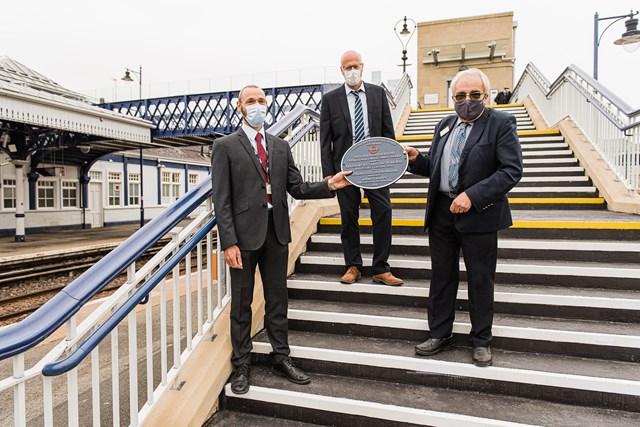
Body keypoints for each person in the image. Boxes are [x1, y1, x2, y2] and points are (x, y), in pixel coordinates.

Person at [211, 85, 352, 394]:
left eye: (261, 100)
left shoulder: (280, 146)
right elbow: (221, 199)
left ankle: (281, 357)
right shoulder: (225, 146)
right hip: (243, 238)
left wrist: (330, 184)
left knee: (278, 299)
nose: (257, 105)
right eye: (251, 101)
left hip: (276, 232)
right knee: (242, 303)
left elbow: (297, 188)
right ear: (240, 107)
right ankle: (242, 365)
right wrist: (228, 242)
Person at [403, 68, 523, 367]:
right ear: (452, 97)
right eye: (460, 96)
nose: (466, 101)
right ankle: (440, 334)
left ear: (486, 95)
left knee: (480, 280)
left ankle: (481, 340)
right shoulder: (444, 124)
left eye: (473, 95)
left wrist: (473, 196)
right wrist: (417, 160)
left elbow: (511, 170)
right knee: (441, 278)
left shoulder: (500, 123)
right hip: (442, 213)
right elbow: (437, 168)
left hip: (479, 215)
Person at [320, 50, 403, 286]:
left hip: (376, 165)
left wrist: (393, 162)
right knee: (348, 216)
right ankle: (353, 266)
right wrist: (329, 174)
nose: (352, 71)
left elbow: (388, 131)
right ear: (341, 70)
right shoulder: (330, 99)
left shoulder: (377, 93)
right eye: (348, 67)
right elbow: (325, 140)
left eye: (356, 66)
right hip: (345, 168)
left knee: (383, 212)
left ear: (363, 67)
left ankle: (381, 268)